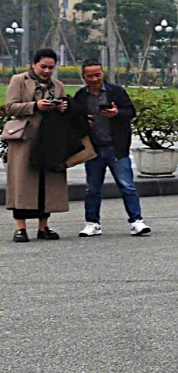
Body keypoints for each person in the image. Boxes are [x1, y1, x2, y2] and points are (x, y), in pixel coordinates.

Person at [69, 60, 150, 237]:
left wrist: (117, 113)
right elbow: (73, 121)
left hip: (116, 147)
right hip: (93, 149)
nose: (94, 79)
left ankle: (136, 221)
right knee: (92, 188)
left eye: (97, 74)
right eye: (89, 76)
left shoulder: (116, 92)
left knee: (127, 185)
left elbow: (131, 112)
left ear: (102, 73)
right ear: (83, 77)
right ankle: (92, 222)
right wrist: (84, 121)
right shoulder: (81, 96)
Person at [4, 49, 72, 243]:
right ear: (33, 64)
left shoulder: (57, 85)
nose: (47, 71)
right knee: (22, 183)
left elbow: (63, 109)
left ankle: (44, 227)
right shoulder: (19, 80)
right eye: (43, 67)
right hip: (24, 138)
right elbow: (10, 107)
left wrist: (61, 107)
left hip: (48, 139)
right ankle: (21, 228)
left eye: (51, 67)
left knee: (46, 182)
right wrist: (35, 106)